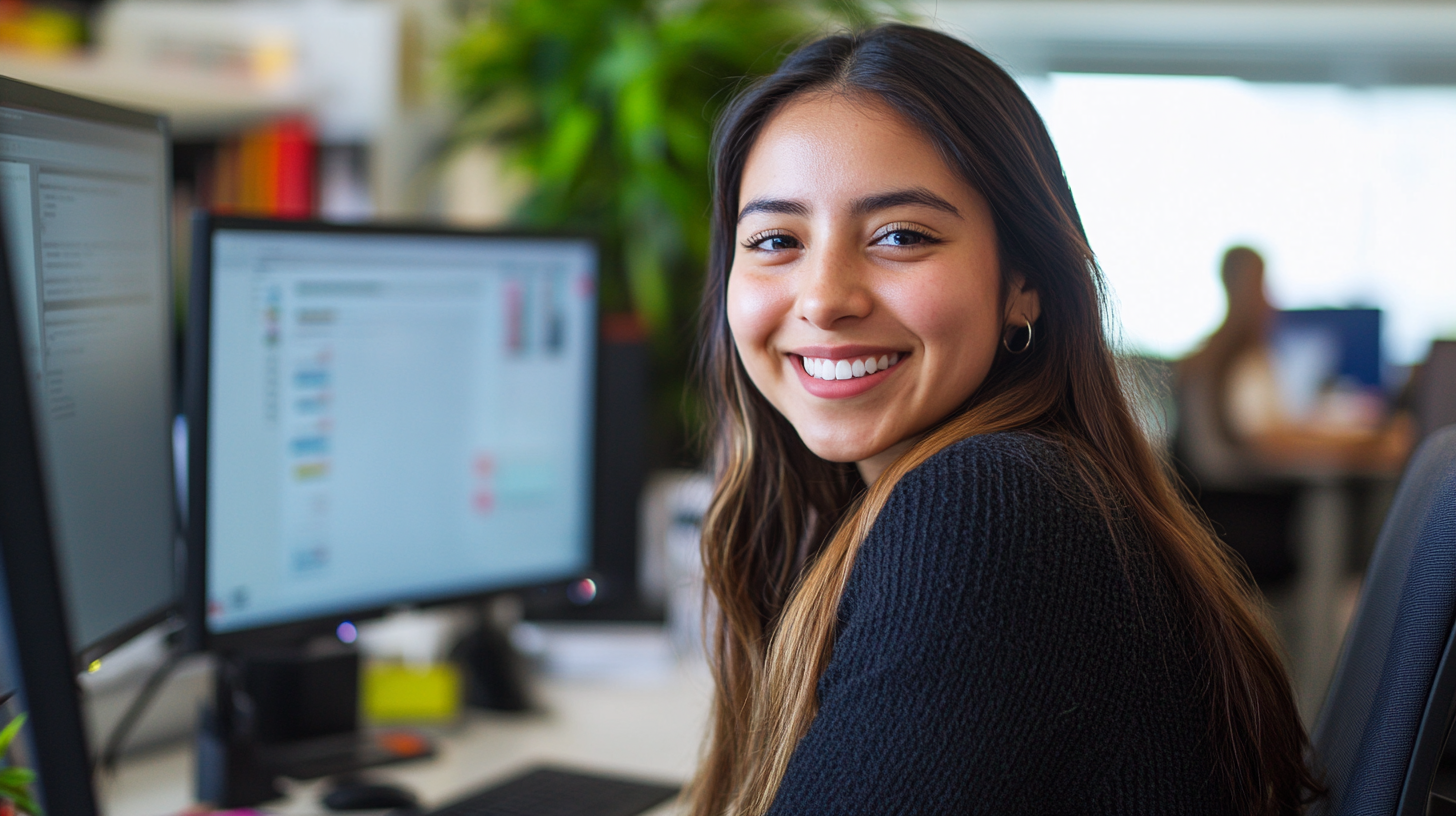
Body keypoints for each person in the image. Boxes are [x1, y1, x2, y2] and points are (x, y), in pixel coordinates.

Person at [689, 24, 1319, 816]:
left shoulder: (989, 508)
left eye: (900, 236)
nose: (822, 298)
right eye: (776, 239)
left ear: (1024, 282)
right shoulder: (989, 491)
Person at [1178, 246, 1409, 482]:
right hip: (1252, 496)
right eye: (1261, 287)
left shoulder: (1214, 355)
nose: (1269, 302)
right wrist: (1359, 451)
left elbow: (1278, 431)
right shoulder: (1241, 362)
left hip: (1233, 492)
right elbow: (1269, 444)